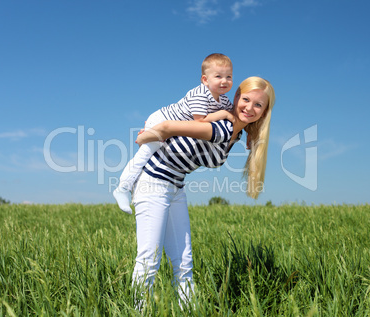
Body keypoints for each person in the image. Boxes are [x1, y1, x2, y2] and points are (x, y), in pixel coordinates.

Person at [131, 76, 276, 307]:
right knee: (149, 260)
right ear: (236, 97)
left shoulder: (236, 132)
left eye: (258, 105)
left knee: (183, 262)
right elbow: (169, 127)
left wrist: (251, 132)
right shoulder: (222, 127)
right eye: (246, 99)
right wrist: (147, 135)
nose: (249, 107)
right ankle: (137, 311)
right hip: (153, 182)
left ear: (264, 111)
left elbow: (245, 125)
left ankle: (187, 310)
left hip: (175, 186)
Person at [113, 53, 234, 214]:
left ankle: (131, 189)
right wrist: (224, 115)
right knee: (146, 153)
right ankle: (122, 188)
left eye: (229, 76)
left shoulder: (223, 100)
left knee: (152, 154)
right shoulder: (200, 94)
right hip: (161, 120)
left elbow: (237, 117)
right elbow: (200, 122)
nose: (224, 81)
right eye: (218, 76)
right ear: (205, 80)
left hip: (173, 129)